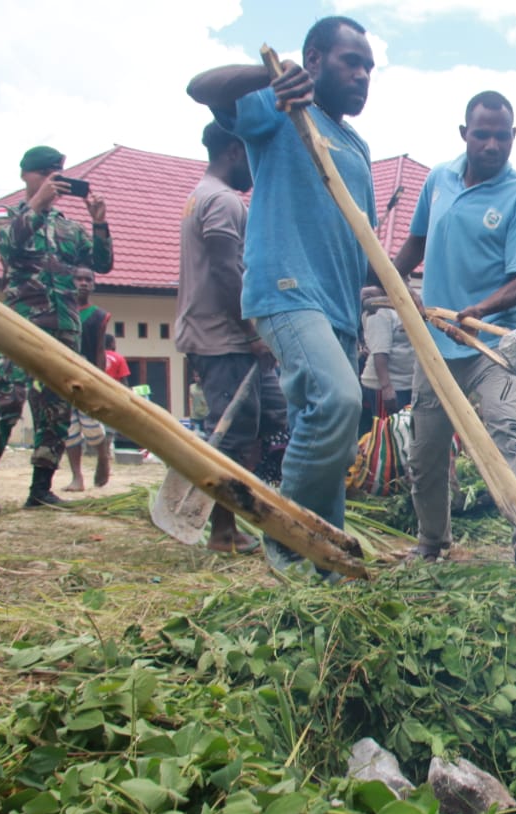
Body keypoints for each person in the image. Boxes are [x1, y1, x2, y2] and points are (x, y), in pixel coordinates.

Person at [188, 16, 376, 572]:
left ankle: (328, 556)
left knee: (333, 435)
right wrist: (268, 78)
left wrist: (394, 291)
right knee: (338, 400)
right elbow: (202, 88)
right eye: (351, 61)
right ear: (314, 60)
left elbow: (358, 241)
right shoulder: (280, 109)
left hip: (341, 312)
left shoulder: (357, 146)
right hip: (289, 293)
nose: (364, 75)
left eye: (369, 67)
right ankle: (290, 551)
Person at [391, 90, 516, 567]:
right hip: (436, 347)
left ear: (512, 138)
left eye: (501, 136)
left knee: (508, 427)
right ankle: (433, 544)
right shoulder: (437, 180)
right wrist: (386, 278)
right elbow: (414, 243)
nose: (491, 145)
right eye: (481, 134)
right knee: (426, 451)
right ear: (464, 133)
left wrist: (477, 311)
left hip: (495, 345)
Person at [0, 146, 113, 515]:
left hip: (64, 330)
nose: (49, 179)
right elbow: (9, 248)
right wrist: (38, 205)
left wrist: (99, 222)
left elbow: (102, 264)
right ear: (25, 175)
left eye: (55, 174)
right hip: (20, 326)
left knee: (56, 409)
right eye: (42, 173)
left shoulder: (68, 227)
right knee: (6, 402)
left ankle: (41, 489)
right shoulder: (5, 215)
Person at [175, 120, 288, 555]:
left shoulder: (202, 196)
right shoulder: (222, 201)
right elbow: (227, 272)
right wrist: (252, 330)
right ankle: (222, 531)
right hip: (223, 338)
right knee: (234, 435)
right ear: (234, 151)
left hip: (224, 337)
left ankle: (256, 514)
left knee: (269, 421)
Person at [62, 267, 113, 492]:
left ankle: (103, 456)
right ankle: (77, 477)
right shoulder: (60, 312)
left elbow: (100, 350)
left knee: (91, 425)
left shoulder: (99, 316)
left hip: (87, 375)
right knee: (69, 428)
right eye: (78, 279)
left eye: (88, 280)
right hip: (62, 375)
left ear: (93, 284)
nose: (83, 283)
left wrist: (101, 379)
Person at [359, 303, 415, 427]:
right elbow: (380, 352)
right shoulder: (380, 312)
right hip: (387, 387)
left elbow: (424, 321)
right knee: (387, 435)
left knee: (403, 432)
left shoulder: (406, 305)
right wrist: (386, 387)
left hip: (406, 384)